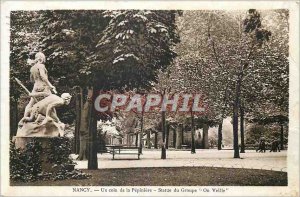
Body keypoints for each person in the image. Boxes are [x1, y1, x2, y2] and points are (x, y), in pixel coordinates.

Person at [22, 50, 57, 121]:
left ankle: (24, 117)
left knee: (30, 104)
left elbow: (31, 80)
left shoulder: (32, 68)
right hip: (44, 87)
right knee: (51, 102)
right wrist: (50, 85)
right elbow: (43, 77)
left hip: (36, 87)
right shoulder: (41, 66)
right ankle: (56, 121)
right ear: (42, 58)